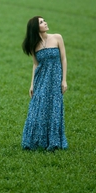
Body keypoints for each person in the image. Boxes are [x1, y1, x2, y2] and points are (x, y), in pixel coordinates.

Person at [21, 16, 68, 151]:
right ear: (36, 28)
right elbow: (36, 65)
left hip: (55, 80)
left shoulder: (57, 37)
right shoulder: (33, 45)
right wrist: (32, 84)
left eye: (44, 21)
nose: (45, 23)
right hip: (41, 80)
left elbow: (64, 59)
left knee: (54, 109)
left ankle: (53, 142)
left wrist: (64, 80)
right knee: (37, 109)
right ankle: (33, 141)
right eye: (41, 22)